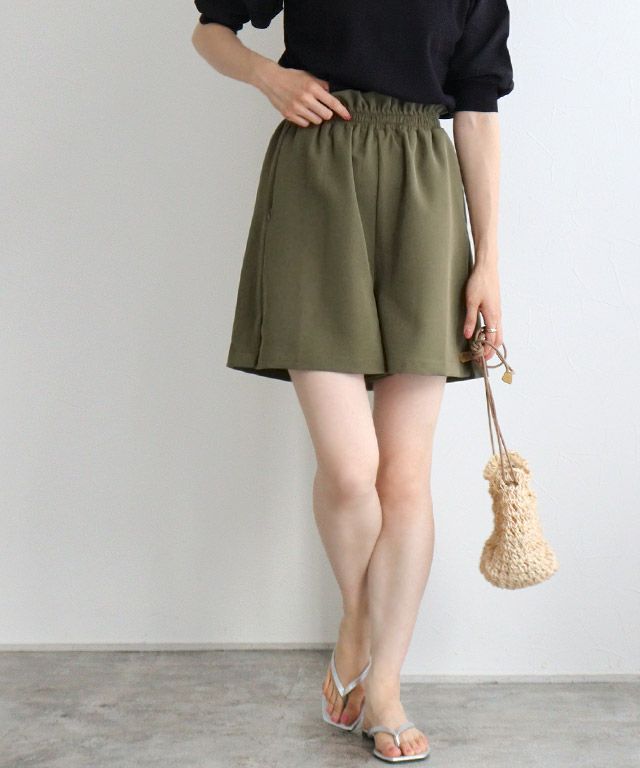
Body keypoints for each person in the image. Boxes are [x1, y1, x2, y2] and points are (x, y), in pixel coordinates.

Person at [192, 1, 514, 762]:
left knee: (403, 476)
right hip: (318, 177)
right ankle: (357, 620)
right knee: (349, 469)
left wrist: (489, 261)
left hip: (423, 190)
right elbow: (210, 30)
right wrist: (268, 77)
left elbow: (477, 113)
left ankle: (386, 689)